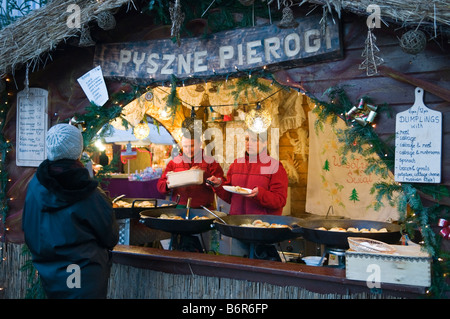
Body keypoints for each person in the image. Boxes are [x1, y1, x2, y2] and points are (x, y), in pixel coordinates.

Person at [22, 123, 119, 299]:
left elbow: (30, 232)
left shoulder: (34, 187)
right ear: (78, 150)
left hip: (50, 275)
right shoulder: (90, 194)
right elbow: (110, 236)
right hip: (85, 277)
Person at [208, 130, 288, 215]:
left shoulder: (275, 167)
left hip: (262, 224)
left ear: (265, 143)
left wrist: (260, 194)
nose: (249, 143)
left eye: (254, 140)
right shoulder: (236, 164)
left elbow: (280, 200)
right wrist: (218, 185)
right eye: (247, 139)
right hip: (237, 222)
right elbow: (229, 197)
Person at [157, 128, 224, 209]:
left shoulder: (211, 162)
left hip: (204, 209)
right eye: (185, 146)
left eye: (192, 146)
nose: (188, 150)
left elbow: (221, 184)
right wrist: (168, 185)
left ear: (200, 144)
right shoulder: (173, 163)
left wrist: (204, 176)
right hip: (179, 208)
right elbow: (160, 186)